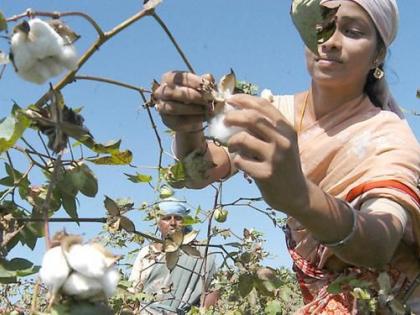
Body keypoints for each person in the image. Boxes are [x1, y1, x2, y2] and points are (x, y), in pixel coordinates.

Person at [152, 0, 420, 313]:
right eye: (322, 27)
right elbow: (197, 174)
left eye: (352, 31)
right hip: (326, 299)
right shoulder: (274, 113)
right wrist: (188, 126)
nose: (331, 41)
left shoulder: (387, 134)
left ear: (378, 54)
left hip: (393, 303)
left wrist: (299, 197)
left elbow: (378, 241)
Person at [129, 199, 218, 314]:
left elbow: (212, 291)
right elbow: (132, 292)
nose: (172, 223)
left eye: (178, 218)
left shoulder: (200, 254)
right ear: (158, 223)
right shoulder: (147, 253)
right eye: (166, 218)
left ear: (185, 222)